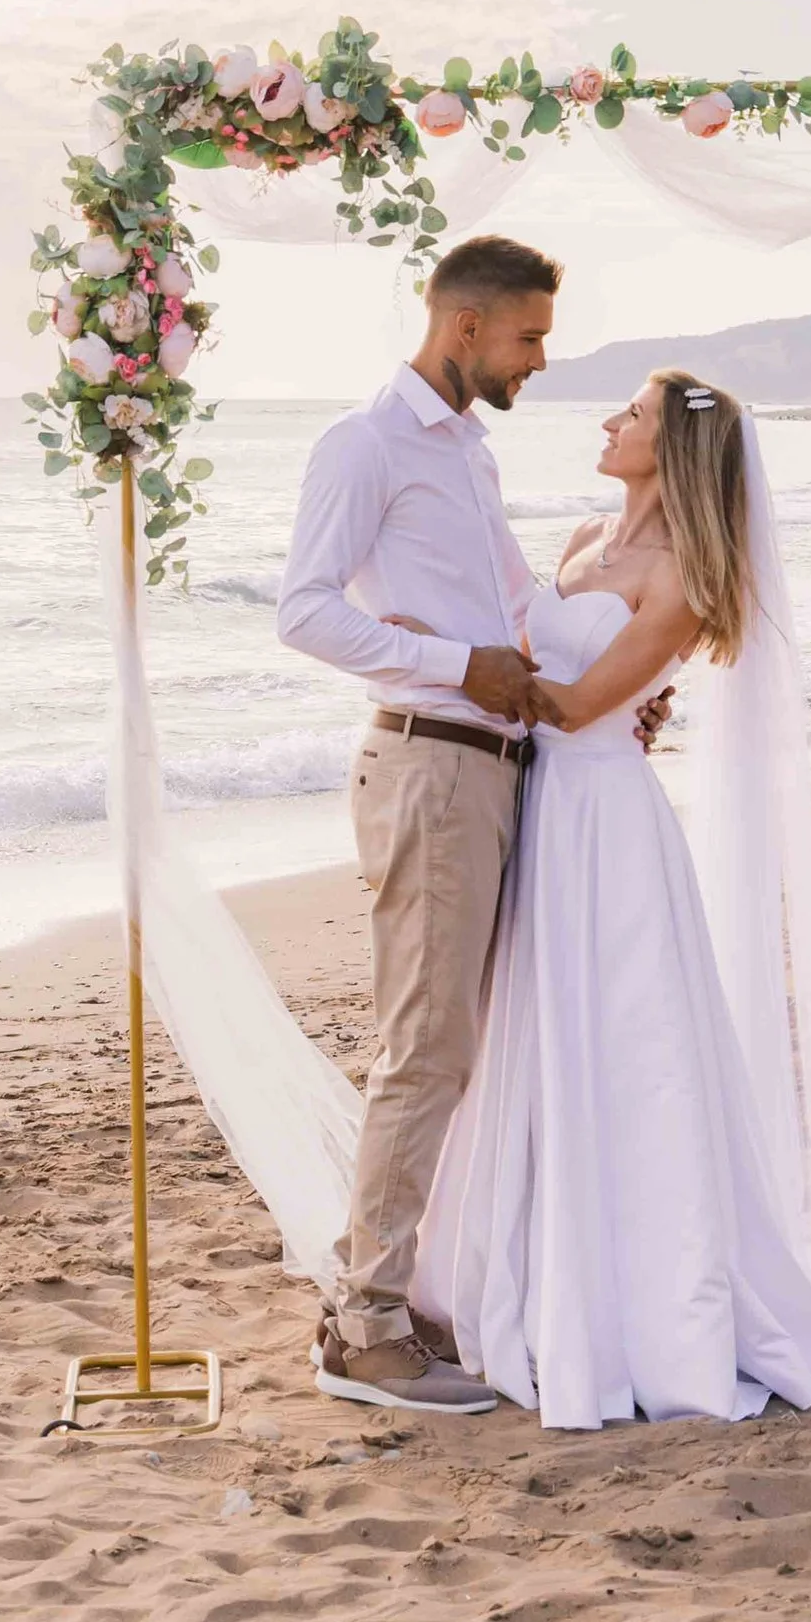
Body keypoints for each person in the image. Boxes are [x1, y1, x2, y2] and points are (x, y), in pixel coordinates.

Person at [411, 372, 811, 1429]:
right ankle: (520, 1261)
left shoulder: (682, 577)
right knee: (533, 1031)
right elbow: (528, 650)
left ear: (671, 452)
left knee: (626, 1040)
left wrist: (442, 673)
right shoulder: (579, 535)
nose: (610, 422)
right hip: (541, 806)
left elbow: (576, 703)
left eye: (632, 415)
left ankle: (633, 1300)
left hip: (606, 820)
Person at [275, 232, 566, 1414]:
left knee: (465, 1050)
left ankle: (417, 1291)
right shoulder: (364, 444)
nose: (538, 359)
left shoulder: (469, 456)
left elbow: (513, 607)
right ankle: (364, 1322)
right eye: (529, 336)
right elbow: (303, 613)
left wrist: (578, 689)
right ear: (464, 328)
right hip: (430, 772)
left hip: (493, 764)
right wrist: (461, 668)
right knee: (424, 1049)